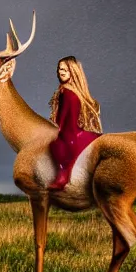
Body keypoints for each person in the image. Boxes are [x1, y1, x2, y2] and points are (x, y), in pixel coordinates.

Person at [48, 56, 103, 190]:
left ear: (73, 71)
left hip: (70, 135)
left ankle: (63, 176)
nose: (61, 72)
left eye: (65, 70)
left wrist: (55, 130)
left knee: (55, 146)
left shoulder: (66, 92)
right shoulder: (76, 91)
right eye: (59, 69)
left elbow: (62, 117)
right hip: (79, 132)